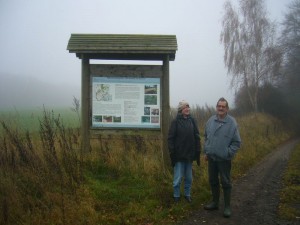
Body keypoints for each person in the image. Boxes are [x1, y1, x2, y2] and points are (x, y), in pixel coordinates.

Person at [203, 97, 241, 218]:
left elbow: (236, 143)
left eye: (223, 106)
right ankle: (215, 202)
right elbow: (206, 137)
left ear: (227, 109)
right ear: (216, 107)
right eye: (219, 106)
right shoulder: (210, 121)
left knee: (226, 182)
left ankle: (227, 207)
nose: (220, 108)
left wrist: (227, 153)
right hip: (212, 158)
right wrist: (207, 151)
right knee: (213, 180)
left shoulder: (232, 123)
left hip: (224, 160)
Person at [168, 100, 201, 203]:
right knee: (177, 179)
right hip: (179, 156)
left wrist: (198, 150)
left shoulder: (192, 120)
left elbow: (197, 136)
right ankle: (176, 196)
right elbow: (170, 138)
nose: (187, 109)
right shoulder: (175, 122)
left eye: (188, 107)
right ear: (180, 110)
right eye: (185, 107)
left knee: (189, 178)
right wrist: (172, 152)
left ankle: (187, 195)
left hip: (189, 156)